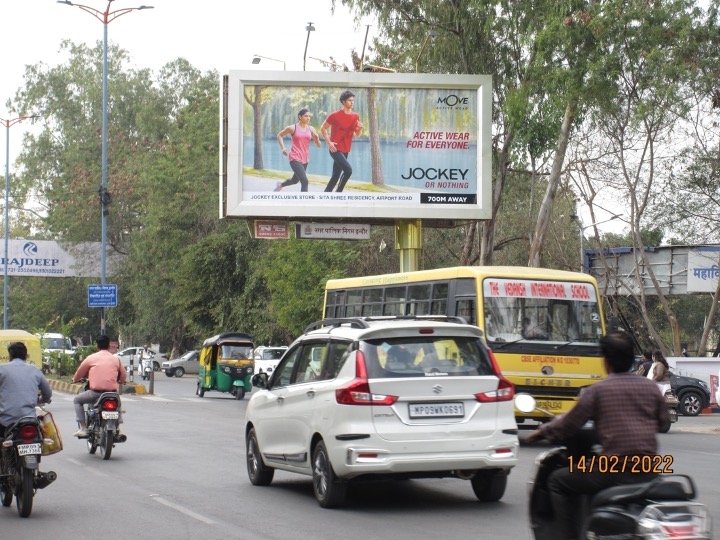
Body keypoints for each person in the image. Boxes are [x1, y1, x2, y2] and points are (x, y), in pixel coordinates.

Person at [526, 331, 669, 540]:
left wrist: (542, 432)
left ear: (605, 360)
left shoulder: (598, 390)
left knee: (557, 480)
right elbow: (663, 421)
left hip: (613, 469)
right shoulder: (650, 388)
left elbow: (569, 423)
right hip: (650, 468)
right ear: (631, 359)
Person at [72, 335, 127, 438]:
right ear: (108, 346)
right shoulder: (116, 360)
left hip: (95, 393)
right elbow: (123, 376)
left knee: (77, 400)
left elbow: (79, 373)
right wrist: (121, 381)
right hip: (112, 393)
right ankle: (118, 429)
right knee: (117, 405)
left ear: (97, 346)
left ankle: (83, 428)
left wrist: (74, 380)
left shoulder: (91, 358)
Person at [0, 342, 52, 438]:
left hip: (6, 421)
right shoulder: (35, 370)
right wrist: (42, 400)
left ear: (10, 355)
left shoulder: (2, 369)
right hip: (30, 419)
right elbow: (47, 393)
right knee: (41, 437)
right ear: (26, 355)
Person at [320, 89, 363, 192]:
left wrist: (360, 128)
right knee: (348, 170)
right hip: (335, 148)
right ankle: (338, 194)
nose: (352, 102)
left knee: (335, 176)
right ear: (343, 102)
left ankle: (325, 197)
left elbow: (357, 135)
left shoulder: (355, 116)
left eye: (353, 100)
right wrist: (329, 142)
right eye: (349, 100)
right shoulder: (335, 115)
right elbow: (323, 128)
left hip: (346, 149)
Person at [273, 108, 321, 192]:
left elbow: (318, 145)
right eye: (306, 116)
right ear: (300, 117)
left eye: (309, 116)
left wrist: (317, 139)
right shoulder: (292, 128)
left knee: (295, 180)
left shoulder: (311, 129)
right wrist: (283, 148)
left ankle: (280, 185)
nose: (308, 118)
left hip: (305, 158)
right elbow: (279, 135)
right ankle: (303, 203)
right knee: (305, 181)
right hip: (294, 157)